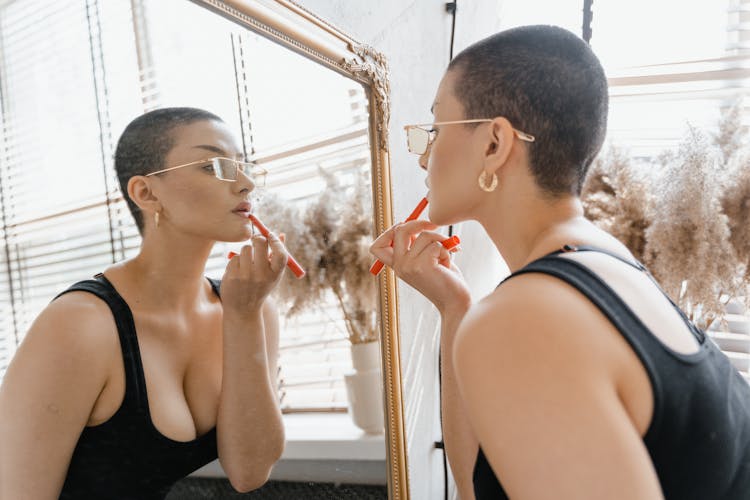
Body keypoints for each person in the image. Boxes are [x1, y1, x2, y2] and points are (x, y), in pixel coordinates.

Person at [371, 25, 750, 500]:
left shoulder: (529, 317)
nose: (422, 157)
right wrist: (454, 307)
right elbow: (479, 484)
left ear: (494, 144)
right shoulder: (606, 263)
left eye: (433, 129)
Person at [0, 107, 287, 499]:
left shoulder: (248, 306)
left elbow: (249, 472)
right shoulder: (79, 325)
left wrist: (244, 315)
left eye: (243, 165)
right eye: (216, 165)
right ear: (146, 193)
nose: (247, 183)